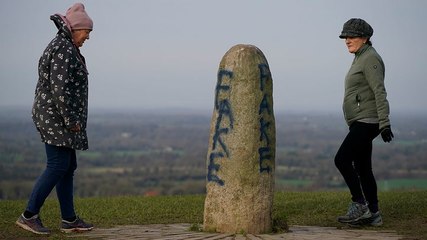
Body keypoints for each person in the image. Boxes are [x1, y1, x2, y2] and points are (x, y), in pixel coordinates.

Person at [16, 3, 94, 235]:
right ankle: (28, 215)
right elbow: (59, 89)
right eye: (86, 33)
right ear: (75, 28)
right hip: (55, 116)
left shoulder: (65, 46)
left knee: (68, 166)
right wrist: (70, 119)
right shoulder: (63, 48)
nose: (87, 38)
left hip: (56, 115)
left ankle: (69, 220)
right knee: (58, 164)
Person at [334, 18, 394, 227]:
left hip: (368, 120)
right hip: (361, 120)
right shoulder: (360, 57)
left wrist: (384, 124)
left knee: (341, 159)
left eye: (351, 36)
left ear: (365, 38)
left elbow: (379, 90)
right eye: (345, 36)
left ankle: (359, 203)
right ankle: (374, 214)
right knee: (363, 169)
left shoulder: (370, 59)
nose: (346, 40)